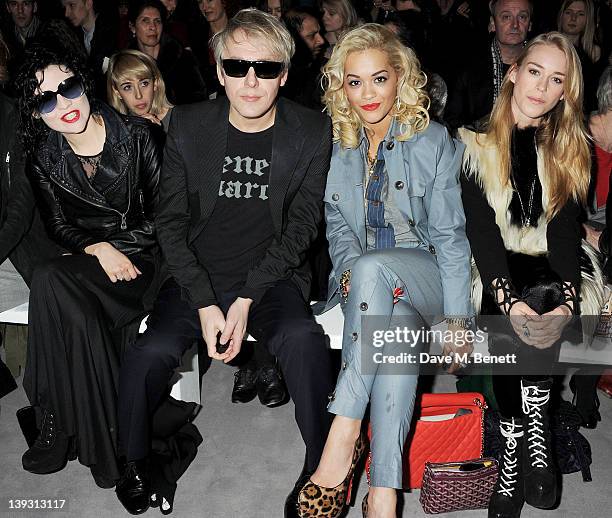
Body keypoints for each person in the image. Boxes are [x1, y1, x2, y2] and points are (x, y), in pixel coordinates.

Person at [116, 9, 334, 518]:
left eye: (264, 67)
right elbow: (169, 224)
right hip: (196, 273)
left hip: (271, 276)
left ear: (284, 72)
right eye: (237, 67)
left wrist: (242, 301)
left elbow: (302, 229)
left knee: (302, 342)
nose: (251, 80)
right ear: (219, 72)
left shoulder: (310, 130)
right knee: (149, 353)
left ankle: (322, 465)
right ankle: (135, 460)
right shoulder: (188, 124)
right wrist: (205, 303)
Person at [298, 23, 472, 518]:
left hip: (429, 278)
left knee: (376, 268)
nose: (367, 93)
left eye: (379, 79)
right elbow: (337, 224)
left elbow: (450, 239)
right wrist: (349, 267)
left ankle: (344, 430)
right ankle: (384, 494)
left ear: (400, 79)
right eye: (355, 82)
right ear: (341, 88)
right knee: (393, 337)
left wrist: (458, 320)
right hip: (375, 291)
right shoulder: (337, 143)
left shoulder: (433, 141)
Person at [459, 32, 606, 518]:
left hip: (553, 265)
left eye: (556, 79)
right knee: (514, 307)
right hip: (493, 264)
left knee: (542, 291)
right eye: (535, 71)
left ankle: (529, 431)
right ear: (515, 73)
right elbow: (482, 233)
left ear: (567, 91)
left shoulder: (568, 146)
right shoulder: (474, 142)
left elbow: (564, 234)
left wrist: (567, 297)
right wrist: (506, 299)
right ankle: (515, 446)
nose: (541, 87)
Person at [15, 43, 162, 492]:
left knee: (49, 280)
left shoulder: (139, 136)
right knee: (57, 288)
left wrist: (116, 247)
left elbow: (168, 218)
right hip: (95, 263)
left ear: (85, 83)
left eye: (69, 87)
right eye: (45, 100)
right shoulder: (42, 158)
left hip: (150, 263)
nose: (64, 104)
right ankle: (106, 440)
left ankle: (56, 423)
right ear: (36, 113)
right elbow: (58, 227)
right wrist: (98, 248)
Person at [445, 0, 532, 132]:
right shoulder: (469, 68)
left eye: (522, 17)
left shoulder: (541, 67)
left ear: (530, 24)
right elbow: (453, 123)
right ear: (492, 23)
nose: (515, 25)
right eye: (506, 17)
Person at [129, 0, 207, 105]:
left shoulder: (183, 59)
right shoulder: (125, 64)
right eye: (145, 21)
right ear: (132, 27)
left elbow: (199, 101)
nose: (153, 27)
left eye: (157, 21)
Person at [62, 0, 119, 98]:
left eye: (72, 5)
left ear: (88, 3)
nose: (66, 13)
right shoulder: (70, 38)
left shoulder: (114, 35)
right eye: (64, 7)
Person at [107, 49, 173, 131]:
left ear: (155, 83)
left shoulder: (182, 119)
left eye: (144, 83)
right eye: (127, 87)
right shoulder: (118, 132)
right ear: (117, 92)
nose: (138, 95)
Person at [557, 0, 603, 112]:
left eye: (580, 14)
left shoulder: (593, 53)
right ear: (561, 15)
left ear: (588, 19)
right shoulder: (546, 46)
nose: (573, 18)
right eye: (569, 12)